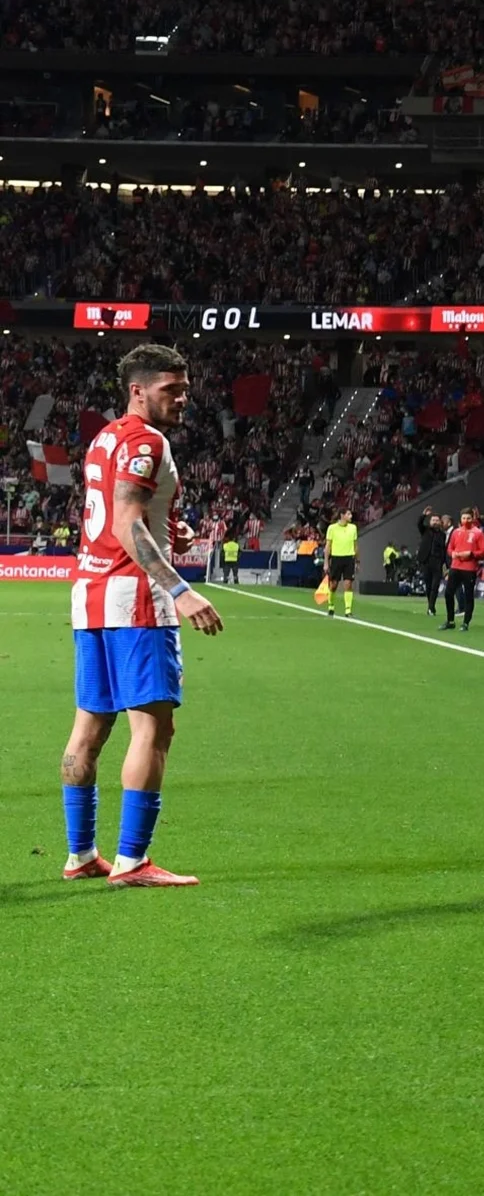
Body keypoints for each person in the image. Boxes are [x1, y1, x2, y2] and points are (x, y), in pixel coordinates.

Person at [61, 344, 225, 888]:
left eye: (185, 388)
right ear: (138, 390)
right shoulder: (147, 441)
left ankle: (81, 854)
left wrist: (168, 529)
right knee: (153, 728)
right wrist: (180, 589)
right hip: (136, 600)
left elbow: (121, 512)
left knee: (89, 727)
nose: (183, 398)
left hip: (91, 596)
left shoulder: (106, 437)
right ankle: (132, 861)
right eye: (170, 389)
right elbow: (127, 520)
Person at [443, 508, 484, 632]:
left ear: (472, 518)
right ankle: (450, 620)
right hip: (455, 566)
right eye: (464, 518)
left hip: (469, 568)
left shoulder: (478, 533)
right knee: (448, 593)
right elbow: (450, 548)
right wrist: (452, 553)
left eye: (468, 518)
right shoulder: (456, 532)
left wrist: (471, 554)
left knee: (469, 595)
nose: (466, 520)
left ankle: (466, 623)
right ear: (461, 518)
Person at [322, 508, 358, 617]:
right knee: (333, 585)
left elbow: (355, 545)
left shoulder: (353, 528)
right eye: (348, 514)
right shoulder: (332, 528)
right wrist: (326, 562)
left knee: (348, 584)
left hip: (349, 558)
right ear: (342, 515)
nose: (351, 516)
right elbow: (328, 546)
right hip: (336, 558)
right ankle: (331, 606)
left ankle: (348, 610)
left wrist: (357, 561)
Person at [417, 510, 447, 614]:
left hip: (437, 562)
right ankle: (430, 606)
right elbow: (419, 524)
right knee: (428, 585)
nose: (435, 522)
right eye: (433, 520)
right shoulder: (425, 531)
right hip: (426, 561)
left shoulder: (442, 535)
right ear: (430, 522)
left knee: (435, 586)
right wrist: (423, 515)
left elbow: (443, 549)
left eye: (437, 520)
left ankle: (431, 607)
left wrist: (444, 563)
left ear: (440, 522)